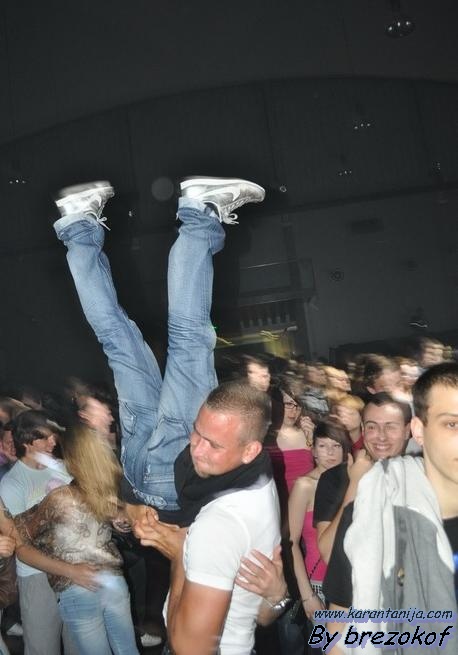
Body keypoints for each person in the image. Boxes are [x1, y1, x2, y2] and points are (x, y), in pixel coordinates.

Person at [53, 176, 265, 514]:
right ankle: (78, 226)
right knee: (116, 339)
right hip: (136, 474)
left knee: (188, 341)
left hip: (173, 478)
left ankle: (201, 212)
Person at [133, 380, 282, 655]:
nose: (197, 449)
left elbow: (190, 650)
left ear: (250, 451)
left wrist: (181, 554)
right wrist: (279, 596)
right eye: (196, 432)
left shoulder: (218, 525)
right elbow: (263, 615)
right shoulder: (261, 477)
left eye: (213, 445)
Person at [324, 362, 458, 654]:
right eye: (452, 424)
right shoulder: (368, 508)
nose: (381, 437)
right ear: (419, 430)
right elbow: (337, 622)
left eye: (390, 427)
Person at [13, 425, 140, 655]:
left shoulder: (61, 498)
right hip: (112, 581)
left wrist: (70, 571)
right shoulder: (108, 493)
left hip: (80, 588)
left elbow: (20, 546)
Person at [0, 410, 77, 655]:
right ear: (27, 441)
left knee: (80, 646)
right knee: (42, 649)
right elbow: (22, 546)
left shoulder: (62, 468)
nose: (53, 441)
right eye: (45, 437)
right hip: (37, 576)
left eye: (53, 435)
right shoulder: (12, 484)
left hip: (74, 565)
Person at [314, 393, 411, 564]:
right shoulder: (335, 478)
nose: (381, 436)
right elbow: (328, 553)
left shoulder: (421, 477)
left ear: (407, 431)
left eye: (390, 427)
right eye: (372, 427)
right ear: (363, 430)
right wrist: (355, 484)